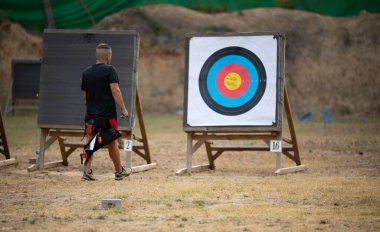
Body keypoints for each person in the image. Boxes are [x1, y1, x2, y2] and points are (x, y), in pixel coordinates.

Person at [80, 43, 131, 181]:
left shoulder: (86, 72)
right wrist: (123, 109)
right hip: (107, 116)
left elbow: (84, 96)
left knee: (89, 142)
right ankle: (119, 171)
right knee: (112, 141)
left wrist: (92, 106)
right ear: (108, 56)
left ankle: (86, 172)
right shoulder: (110, 70)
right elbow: (115, 90)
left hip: (91, 115)